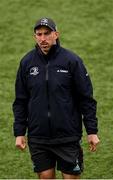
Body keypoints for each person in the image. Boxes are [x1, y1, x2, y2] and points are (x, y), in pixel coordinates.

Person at [13, 17, 100, 179]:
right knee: (45, 177)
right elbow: (20, 101)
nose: (43, 39)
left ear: (56, 34)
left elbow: (86, 98)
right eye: (39, 34)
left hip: (67, 136)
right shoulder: (26, 63)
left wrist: (92, 131)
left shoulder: (71, 61)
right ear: (35, 37)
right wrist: (19, 132)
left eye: (47, 33)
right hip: (38, 137)